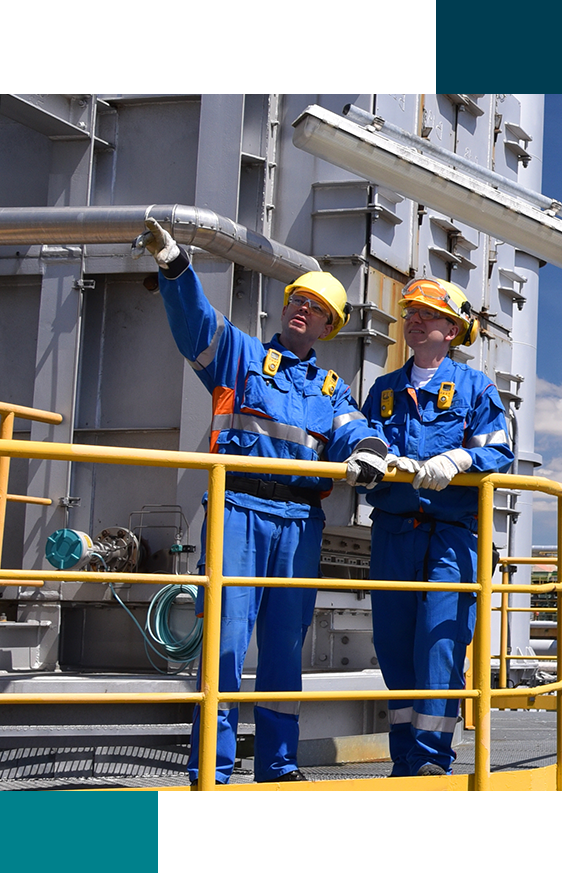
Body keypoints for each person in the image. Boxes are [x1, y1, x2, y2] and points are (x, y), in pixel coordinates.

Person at [137, 218, 390, 784]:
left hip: (300, 523)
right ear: (285, 309)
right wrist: (176, 265)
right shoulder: (241, 358)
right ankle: (215, 767)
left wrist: (372, 451)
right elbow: (196, 325)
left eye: (315, 307)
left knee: (283, 651)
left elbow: (357, 431)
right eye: (297, 300)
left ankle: (277, 765)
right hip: (239, 514)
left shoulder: (330, 391)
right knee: (225, 645)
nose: (303, 309)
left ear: (329, 326)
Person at [360, 277, 514, 777]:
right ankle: (403, 756)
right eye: (411, 313)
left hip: (453, 535)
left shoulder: (474, 387)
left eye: (428, 314)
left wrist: (460, 457)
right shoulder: (383, 391)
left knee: (440, 644)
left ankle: (430, 760)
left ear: (452, 329)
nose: (415, 321)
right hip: (393, 531)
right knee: (392, 642)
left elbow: (500, 450)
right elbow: (366, 445)